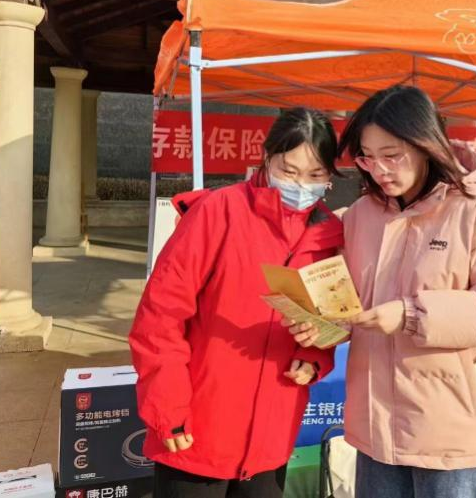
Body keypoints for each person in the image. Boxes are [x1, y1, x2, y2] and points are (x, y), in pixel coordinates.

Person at [287, 86, 476, 498]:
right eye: (367, 157)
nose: (379, 169)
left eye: (392, 155)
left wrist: (410, 315)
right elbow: (350, 303)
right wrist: (322, 325)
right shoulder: (361, 216)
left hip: (455, 428)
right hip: (377, 426)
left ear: (425, 144)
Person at [129, 107, 344, 498]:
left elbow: (330, 321)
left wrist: (312, 357)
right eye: (289, 170)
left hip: (271, 433)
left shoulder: (329, 234)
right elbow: (159, 317)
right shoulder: (218, 212)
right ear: (266, 158)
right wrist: (167, 407)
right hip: (197, 428)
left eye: (316, 175)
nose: (301, 185)